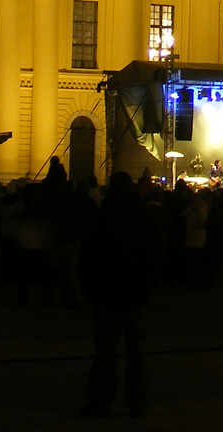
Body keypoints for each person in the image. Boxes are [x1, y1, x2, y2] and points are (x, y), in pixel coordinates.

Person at [78, 172, 164, 417]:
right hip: (136, 294)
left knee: (105, 351)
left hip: (106, 294)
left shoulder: (103, 217)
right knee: (137, 350)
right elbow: (157, 254)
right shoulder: (144, 216)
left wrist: (88, 289)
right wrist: (150, 285)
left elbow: (87, 256)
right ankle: (138, 401)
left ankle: (101, 401)